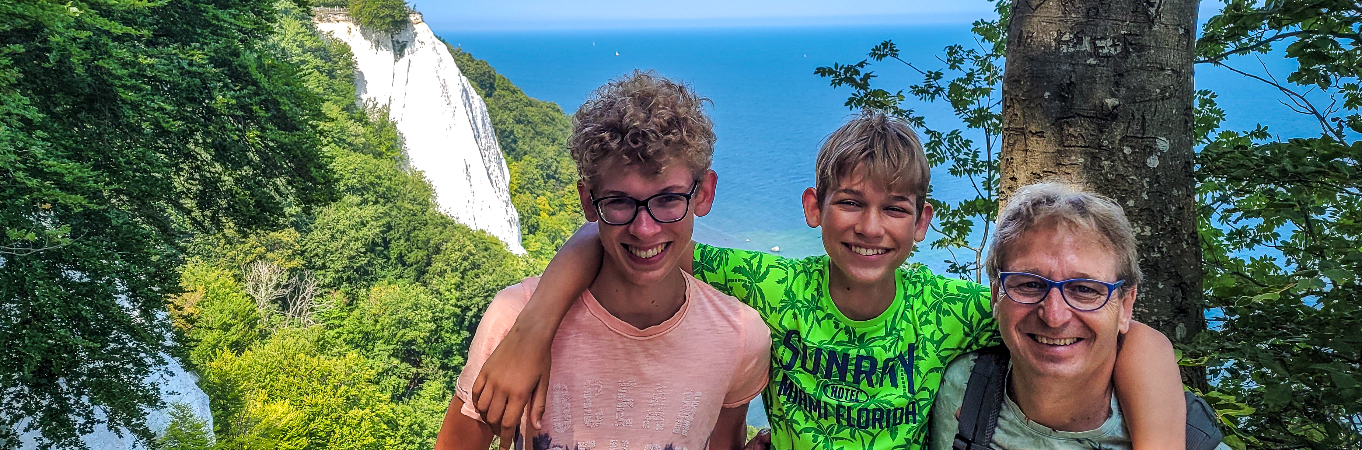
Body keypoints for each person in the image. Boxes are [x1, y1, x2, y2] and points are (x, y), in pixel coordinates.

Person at [469, 111, 1189, 449]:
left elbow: (1122, 335)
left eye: (893, 209)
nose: (870, 227)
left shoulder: (958, 306)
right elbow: (627, 234)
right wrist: (531, 332)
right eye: (849, 202)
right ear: (814, 209)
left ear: (922, 224)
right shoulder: (774, 287)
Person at [433, 71, 770, 450]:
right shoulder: (514, 319)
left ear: (704, 194)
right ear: (588, 202)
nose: (645, 229)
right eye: (619, 202)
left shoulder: (740, 338)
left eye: (668, 199)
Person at [929, 182, 1227, 450]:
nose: (1054, 316)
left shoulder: (1178, 437)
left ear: (1126, 306)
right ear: (996, 295)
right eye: (1030, 284)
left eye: (1085, 289)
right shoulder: (963, 388)